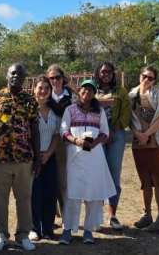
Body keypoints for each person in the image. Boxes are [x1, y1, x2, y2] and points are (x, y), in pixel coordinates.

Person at [0, 63, 41, 252]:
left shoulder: (30, 100)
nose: (16, 76)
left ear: (24, 77)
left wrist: (37, 158)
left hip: (24, 159)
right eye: (13, 73)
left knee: (24, 198)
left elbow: (35, 131)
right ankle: (1, 235)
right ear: (7, 75)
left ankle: (22, 236)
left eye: (20, 74)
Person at [59, 80, 116, 245]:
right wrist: (75, 140)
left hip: (94, 158)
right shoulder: (69, 110)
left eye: (91, 90)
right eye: (84, 89)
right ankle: (67, 229)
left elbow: (105, 130)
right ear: (79, 91)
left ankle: (89, 230)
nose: (87, 92)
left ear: (94, 93)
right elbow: (63, 130)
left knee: (92, 194)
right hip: (74, 157)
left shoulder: (99, 111)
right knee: (72, 194)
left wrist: (96, 142)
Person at [128, 65, 159, 233]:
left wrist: (146, 134)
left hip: (155, 141)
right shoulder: (131, 95)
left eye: (150, 78)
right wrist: (137, 134)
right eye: (144, 76)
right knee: (144, 180)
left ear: (154, 80)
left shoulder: (158, 95)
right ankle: (147, 214)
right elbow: (128, 119)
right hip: (138, 142)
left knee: (158, 178)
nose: (146, 80)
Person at [94, 62, 130, 230]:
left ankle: (112, 215)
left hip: (116, 136)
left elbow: (125, 116)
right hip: (96, 137)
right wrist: (102, 133)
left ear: (113, 74)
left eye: (109, 71)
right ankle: (96, 216)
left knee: (114, 175)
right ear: (98, 73)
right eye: (103, 72)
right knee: (97, 175)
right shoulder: (91, 90)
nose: (106, 74)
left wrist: (112, 131)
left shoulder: (121, 92)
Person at [30, 76, 60, 241]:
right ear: (34, 89)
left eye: (46, 88)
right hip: (32, 157)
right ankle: (34, 228)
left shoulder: (55, 110)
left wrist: (48, 154)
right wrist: (36, 156)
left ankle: (48, 228)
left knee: (50, 192)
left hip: (49, 156)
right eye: (40, 87)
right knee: (35, 193)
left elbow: (57, 134)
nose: (43, 91)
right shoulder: (28, 108)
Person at [46, 64, 74, 220]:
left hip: (65, 142)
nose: (55, 80)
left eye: (57, 77)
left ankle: (66, 216)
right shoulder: (44, 95)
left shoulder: (72, 97)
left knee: (63, 180)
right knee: (50, 179)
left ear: (63, 78)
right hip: (46, 141)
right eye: (52, 78)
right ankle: (51, 213)